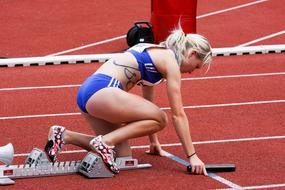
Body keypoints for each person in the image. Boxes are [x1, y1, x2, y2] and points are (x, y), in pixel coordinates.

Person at [44, 26, 212, 175]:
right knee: (162, 118)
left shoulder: (156, 53)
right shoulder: (171, 63)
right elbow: (178, 115)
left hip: (90, 92)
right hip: (103, 90)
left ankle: (65, 135)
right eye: (196, 66)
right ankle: (104, 142)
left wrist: (153, 142)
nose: (192, 72)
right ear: (192, 54)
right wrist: (193, 156)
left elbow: (148, 103)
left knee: (123, 156)